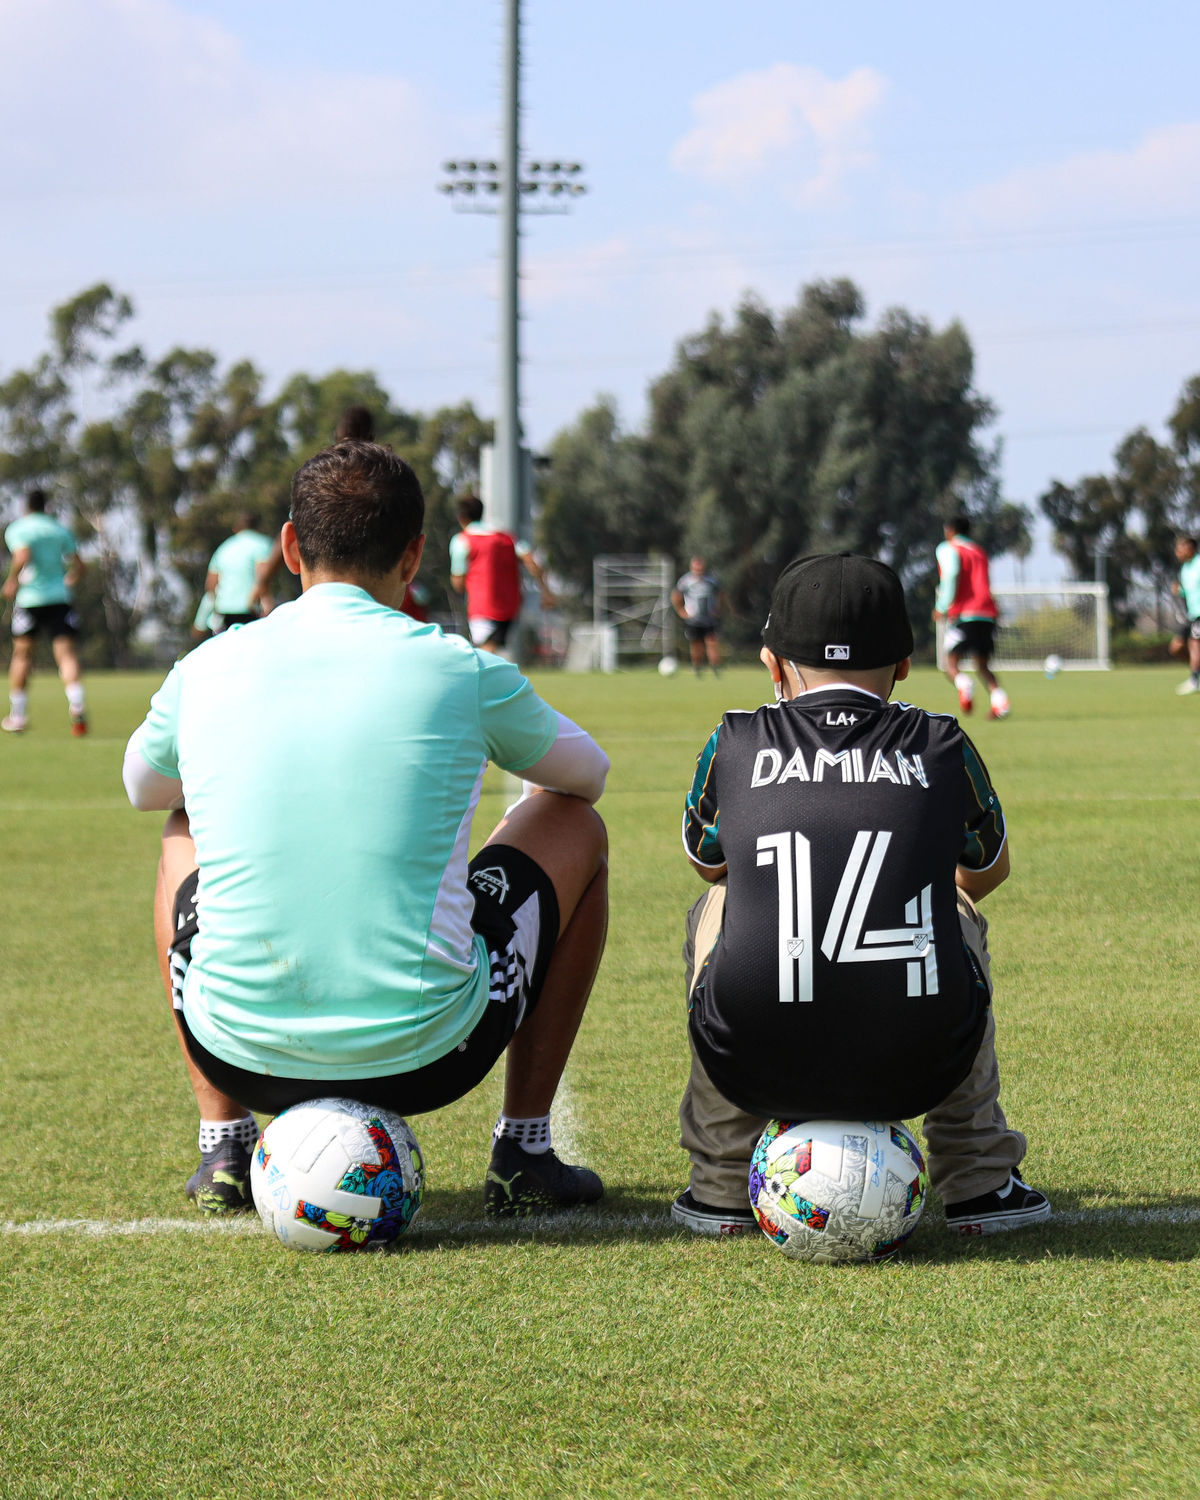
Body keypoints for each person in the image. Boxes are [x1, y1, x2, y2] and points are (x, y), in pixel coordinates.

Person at [122, 440, 610, 1220]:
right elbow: (586, 777)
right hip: (429, 1059)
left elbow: (142, 786)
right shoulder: (458, 666)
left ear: (289, 547)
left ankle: (223, 1143)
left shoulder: (208, 664)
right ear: (415, 555)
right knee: (575, 826)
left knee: (181, 827)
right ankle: (524, 1150)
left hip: (240, 1054)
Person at [671, 552, 1049, 1239]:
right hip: (920, 1063)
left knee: (721, 901)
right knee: (956, 912)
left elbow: (706, 862)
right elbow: (987, 871)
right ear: (905, 664)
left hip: (755, 1061)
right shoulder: (941, 741)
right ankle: (978, 1176)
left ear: (771, 662)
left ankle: (722, 1183)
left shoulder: (734, 737)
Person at [2, 488, 88, 735]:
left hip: (30, 599)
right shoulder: (59, 529)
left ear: (25, 506)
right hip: (59, 598)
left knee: (22, 656)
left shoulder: (19, 528)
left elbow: (22, 555)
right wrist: (68, 581)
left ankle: (18, 716)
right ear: (45, 506)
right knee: (66, 655)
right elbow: (79, 565)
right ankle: (77, 708)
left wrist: (12, 581)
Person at [450, 495, 553, 655]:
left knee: (484, 653)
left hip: (481, 606)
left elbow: (458, 583)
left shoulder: (462, 540)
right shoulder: (508, 538)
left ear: (461, 517)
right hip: (510, 606)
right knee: (489, 650)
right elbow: (532, 561)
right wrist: (546, 591)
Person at [934, 514, 1010, 720]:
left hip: (965, 614)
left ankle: (963, 683)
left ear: (949, 530)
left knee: (950, 662)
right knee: (982, 664)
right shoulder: (980, 551)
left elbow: (951, 575)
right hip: (987, 613)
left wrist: (942, 605)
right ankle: (1000, 701)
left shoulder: (948, 548)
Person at [205, 511, 274, 631]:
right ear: (258, 527)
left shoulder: (223, 548)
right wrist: (267, 605)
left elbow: (210, 585)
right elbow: (263, 576)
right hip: (251, 609)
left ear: (235, 529)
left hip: (225, 611)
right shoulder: (263, 544)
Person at [671, 557, 725, 676]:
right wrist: (681, 611)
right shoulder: (685, 581)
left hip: (710, 619)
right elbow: (675, 596)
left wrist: (718, 609)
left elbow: (721, 594)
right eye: (696, 568)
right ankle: (697, 667)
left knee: (712, 642)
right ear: (692, 568)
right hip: (693, 619)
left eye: (700, 568)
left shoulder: (712, 580)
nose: (698, 570)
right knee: (696, 644)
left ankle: (716, 668)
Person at [1170, 534, 1200, 695]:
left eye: (1181, 548)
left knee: (1194, 645)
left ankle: (1194, 681)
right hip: (1192, 614)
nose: (1177, 552)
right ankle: (1196, 673)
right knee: (1176, 647)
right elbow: (1189, 592)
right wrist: (1180, 591)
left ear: (1190, 548)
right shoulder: (1185, 569)